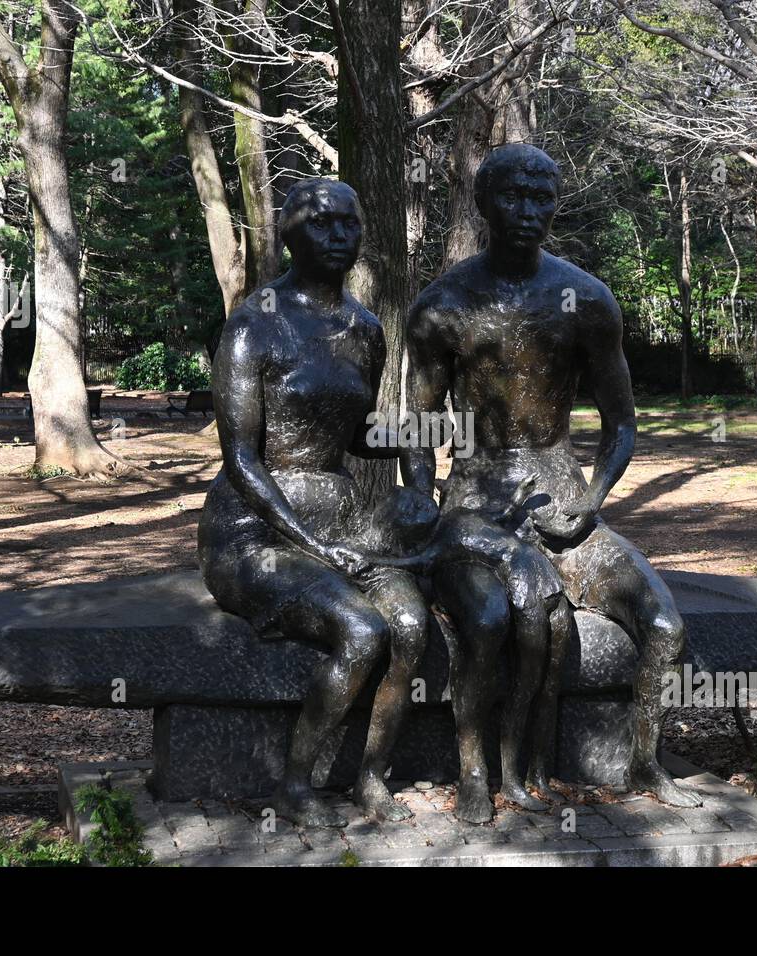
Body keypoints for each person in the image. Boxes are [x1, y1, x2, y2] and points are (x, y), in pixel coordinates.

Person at [403, 144, 702, 824]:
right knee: (485, 620)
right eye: (514, 196)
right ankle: (476, 772)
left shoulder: (587, 301)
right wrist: (423, 505)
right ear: (483, 204)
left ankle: (644, 765)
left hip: (566, 501)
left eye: (543, 198)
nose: (530, 212)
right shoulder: (443, 306)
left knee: (664, 624)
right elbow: (416, 429)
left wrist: (591, 501)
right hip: (477, 506)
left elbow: (622, 424)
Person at [198, 178, 426, 827]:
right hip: (255, 528)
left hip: (342, 518)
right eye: (322, 223)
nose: (338, 236)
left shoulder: (363, 329)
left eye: (349, 223)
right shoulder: (252, 329)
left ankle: (372, 776)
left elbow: (355, 432)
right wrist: (310, 541)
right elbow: (241, 457)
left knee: (410, 629)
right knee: (362, 630)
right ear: (292, 233)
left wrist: (421, 446)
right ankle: (296, 785)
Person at [358, 478, 570, 811]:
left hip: (536, 574)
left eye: (415, 497)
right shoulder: (438, 544)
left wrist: (517, 496)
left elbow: (499, 515)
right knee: (524, 682)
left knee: (542, 680)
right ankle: (505, 779)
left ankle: (534, 775)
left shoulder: (456, 515)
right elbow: (418, 563)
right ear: (408, 530)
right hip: (520, 583)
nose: (419, 501)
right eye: (409, 509)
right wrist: (376, 561)